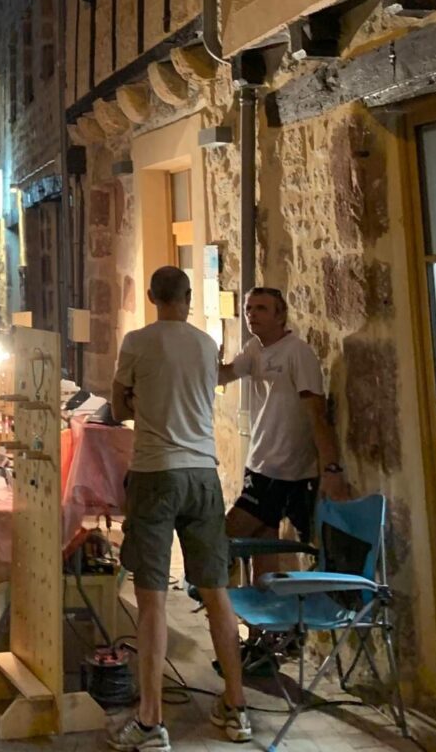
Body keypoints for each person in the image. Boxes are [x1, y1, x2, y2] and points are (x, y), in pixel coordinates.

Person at [110, 267, 251, 750]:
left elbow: (118, 408)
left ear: (151, 297)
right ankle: (236, 706)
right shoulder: (205, 343)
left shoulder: (136, 342)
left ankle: (150, 722)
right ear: (188, 298)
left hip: (155, 472)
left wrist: (138, 400)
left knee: (151, 599)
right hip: (203, 473)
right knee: (216, 592)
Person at [219, 287, 349, 574]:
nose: (252, 314)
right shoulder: (254, 348)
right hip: (259, 463)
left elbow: (317, 413)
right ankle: (262, 614)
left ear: (281, 316)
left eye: (261, 308)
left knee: (223, 537)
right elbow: (225, 374)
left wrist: (331, 469)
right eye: (249, 308)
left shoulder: (297, 353)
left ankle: (218, 607)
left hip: (284, 469)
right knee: (263, 540)